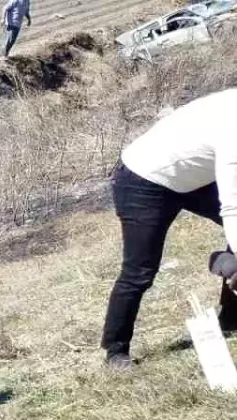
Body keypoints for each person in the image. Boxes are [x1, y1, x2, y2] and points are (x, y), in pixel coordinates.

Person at [101, 88, 237, 368]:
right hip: (143, 180)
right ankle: (116, 351)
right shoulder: (232, 126)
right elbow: (232, 206)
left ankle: (231, 316)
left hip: (190, 174)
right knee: (139, 271)